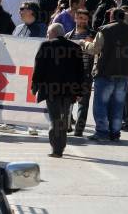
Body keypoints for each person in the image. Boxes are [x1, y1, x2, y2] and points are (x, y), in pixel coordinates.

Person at [32, 23, 86, 157]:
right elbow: (81, 72)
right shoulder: (76, 47)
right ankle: (60, 146)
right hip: (68, 91)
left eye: (48, 33)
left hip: (51, 90)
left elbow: (39, 68)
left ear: (54, 33)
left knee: (55, 119)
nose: (47, 35)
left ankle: (57, 149)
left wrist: (35, 86)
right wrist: (80, 92)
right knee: (62, 117)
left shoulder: (46, 45)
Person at [81, 8, 128, 141]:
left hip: (106, 72)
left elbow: (95, 49)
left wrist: (84, 43)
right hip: (124, 73)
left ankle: (102, 132)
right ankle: (115, 133)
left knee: (101, 104)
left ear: (111, 17)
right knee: (118, 104)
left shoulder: (104, 29)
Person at [65, 9, 97, 137]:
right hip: (71, 73)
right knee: (68, 101)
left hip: (85, 73)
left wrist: (91, 44)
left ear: (88, 20)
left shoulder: (93, 35)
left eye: (84, 18)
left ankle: (79, 129)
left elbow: (97, 52)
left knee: (83, 103)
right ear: (75, 19)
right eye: (80, 18)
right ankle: (67, 125)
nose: (82, 20)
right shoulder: (69, 36)